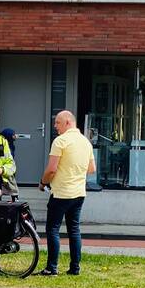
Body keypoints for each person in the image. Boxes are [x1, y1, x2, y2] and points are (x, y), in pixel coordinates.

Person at [38, 110, 95, 276]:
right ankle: (75, 267)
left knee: (53, 229)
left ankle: (52, 267)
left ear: (68, 122)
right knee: (74, 230)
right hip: (78, 193)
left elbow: (51, 169)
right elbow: (92, 169)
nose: (55, 126)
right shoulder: (86, 142)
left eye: (58, 123)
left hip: (61, 192)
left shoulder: (60, 141)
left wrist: (43, 182)